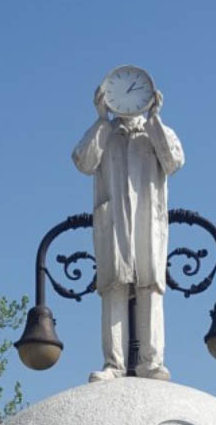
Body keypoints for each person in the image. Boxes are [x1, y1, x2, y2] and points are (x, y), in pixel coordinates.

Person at [72, 86, 185, 381]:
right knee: (113, 285)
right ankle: (114, 364)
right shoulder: (106, 134)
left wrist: (155, 118)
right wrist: (101, 119)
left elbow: (173, 161)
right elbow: (84, 161)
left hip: (148, 219)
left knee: (151, 285)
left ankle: (152, 361)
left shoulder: (155, 132)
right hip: (114, 220)